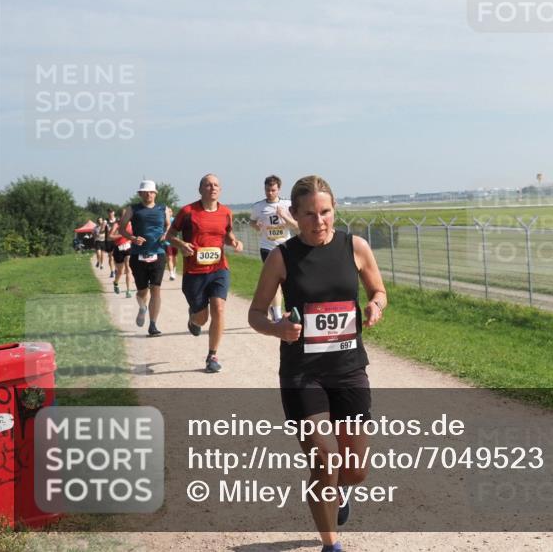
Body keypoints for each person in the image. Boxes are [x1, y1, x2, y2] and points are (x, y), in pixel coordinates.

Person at [249, 175, 386, 552]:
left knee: (354, 469)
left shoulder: (355, 247)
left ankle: (340, 493)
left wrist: (375, 305)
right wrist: (278, 328)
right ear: (294, 215)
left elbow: (379, 290)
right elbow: (256, 314)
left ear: (335, 210)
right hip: (301, 372)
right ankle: (331, 544)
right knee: (325, 459)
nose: (319, 221)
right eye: (308, 214)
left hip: (348, 369)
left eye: (325, 211)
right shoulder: (282, 256)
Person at [164, 173, 243, 373]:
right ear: (200, 189)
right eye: (208, 185)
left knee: (219, 309)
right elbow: (169, 235)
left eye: (216, 185)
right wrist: (181, 244)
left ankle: (212, 355)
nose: (212, 188)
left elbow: (226, 234)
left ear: (220, 189)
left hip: (218, 269)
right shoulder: (188, 212)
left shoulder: (226, 212)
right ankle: (193, 318)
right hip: (194, 272)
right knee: (202, 319)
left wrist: (234, 241)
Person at [119, 180, 172, 336]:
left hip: (158, 253)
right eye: (145, 192)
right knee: (142, 291)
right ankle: (142, 307)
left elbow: (169, 226)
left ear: (155, 193)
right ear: (140, 194)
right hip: (137, 254)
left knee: (156, 289)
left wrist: (165, 234)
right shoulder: (132, 209)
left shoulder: (164, 209)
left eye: (151, 191)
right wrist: (133, 238)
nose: (148, 194)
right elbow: (122, 229)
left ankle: (153, 324)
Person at [249, 174, 299, 322]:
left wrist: (284, 216)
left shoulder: (287, 204)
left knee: (289, 280)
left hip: (286, 246)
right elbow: (252, 222)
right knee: (275, 280)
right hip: (267, 248)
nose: (269, 193)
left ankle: (285, 310)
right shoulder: (259, 206)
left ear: (279, 189)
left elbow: (296, 226)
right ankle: (277, 315)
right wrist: (256, 226)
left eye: (273, 190)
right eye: (267, 190)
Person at [109, 218, 134, 298]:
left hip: (128, 248)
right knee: (120, 271)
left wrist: (131, 240)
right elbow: (110, 237)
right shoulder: (116, 224)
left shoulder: (131, 224)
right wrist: (122, 234)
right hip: (118, 249)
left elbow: (134, 235)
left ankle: (128, 290)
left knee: (128, 269)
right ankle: (115, 282)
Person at [104, 209, 118, 279]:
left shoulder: (117, 220)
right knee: (110, 257)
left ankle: (116, 269)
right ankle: (112, 271)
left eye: (111, 212)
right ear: (107, 213)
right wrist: (103, 226)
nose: (110, 213)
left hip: (116, 240)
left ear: (114, 213)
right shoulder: (106, 221)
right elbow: (102, 230)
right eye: (109, 212)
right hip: (109, 241)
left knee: (116, 256)